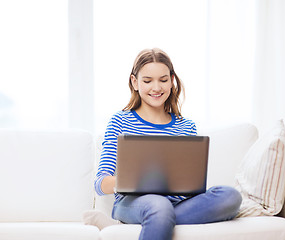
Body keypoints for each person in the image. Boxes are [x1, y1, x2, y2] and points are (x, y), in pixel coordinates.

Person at [83, 48, 242, 240]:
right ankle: (155, 216)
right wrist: (136, 180)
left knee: (231, 196)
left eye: (163, 80)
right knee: (159, 205)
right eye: (148, 81)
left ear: (172, 80)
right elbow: (101, 183)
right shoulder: (120, 121)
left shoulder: (187, 126)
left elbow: (190, 180)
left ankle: (157, 220)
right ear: (135, 82)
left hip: (178, 204)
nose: (156, 88)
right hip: (132, 202)